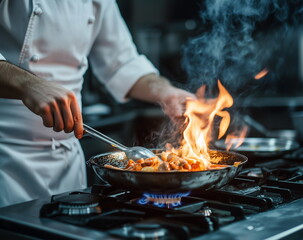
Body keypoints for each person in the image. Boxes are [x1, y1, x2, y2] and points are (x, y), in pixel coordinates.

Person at [0, 0, 194, 207]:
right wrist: (28, 84)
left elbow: (122, 63)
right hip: (7, 156)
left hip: (67, 159)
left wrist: (168, 93)